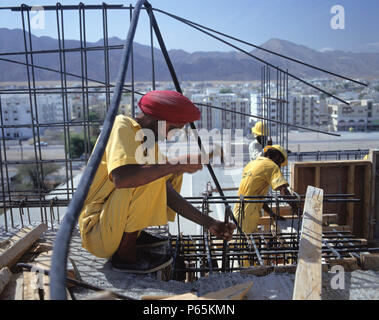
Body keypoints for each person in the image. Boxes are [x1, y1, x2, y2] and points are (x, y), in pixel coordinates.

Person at [78, 90, 235, 274]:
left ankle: (132, 236)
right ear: (157, 119)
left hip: (111, 226)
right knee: (152, 174)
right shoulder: (121, 125)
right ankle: (125, 256)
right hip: (97, 231)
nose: (170, 136)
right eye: (172, 129)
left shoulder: (148, 143)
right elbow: (123, 178)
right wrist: (176, 163)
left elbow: (167, 192)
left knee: (169, 174)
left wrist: (210, 223)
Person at [233, 144, 297, 234]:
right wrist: (297, 209)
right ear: (277, 157)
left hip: (239, 209)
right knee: (247, 244)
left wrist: (272, 215)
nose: (279, 166)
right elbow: (284, 191)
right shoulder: (271, 166)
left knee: (244, 243)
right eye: (280, 163)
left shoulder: (252, 164)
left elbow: (258, 197)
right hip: (249, 213)